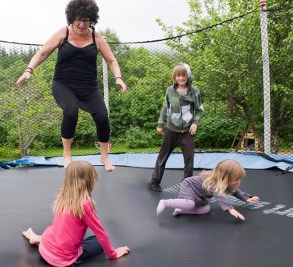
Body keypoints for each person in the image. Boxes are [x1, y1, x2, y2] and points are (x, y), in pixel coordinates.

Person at [16, 0, 127, 172]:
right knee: (71, 111)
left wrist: (118, 78)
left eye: (86, 20)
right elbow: (43, 52)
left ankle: (104, 156)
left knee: (102, 116)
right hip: (63, 84)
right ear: (71, 19)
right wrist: (28, 70)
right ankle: (67, 154)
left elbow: (111, 60)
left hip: (89, 88)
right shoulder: (63, 33)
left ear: (92, 20)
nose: (82, 24)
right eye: (78, 20)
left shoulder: (96, 37)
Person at [22, 161, 130, 266]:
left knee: (58, 232)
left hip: (44, 249)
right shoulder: (85, 204)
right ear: (88, 181)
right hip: (61, 260)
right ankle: (39, 241)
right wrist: (113, 254)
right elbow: (101, 233)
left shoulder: (63, 197)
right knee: (98, 242)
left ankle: (38, 239)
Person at [149, 63, 204, 192]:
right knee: (163, 156)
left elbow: (199, 110)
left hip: (187, 131)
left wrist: (195, 123)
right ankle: (154, 181)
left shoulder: (194, 91)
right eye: (178, 75)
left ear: (187, 76)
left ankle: (187, 186)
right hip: (171, 129)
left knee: (189, 160)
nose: (180, 78)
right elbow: (165, 107)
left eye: (183, 75)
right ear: (174, 77)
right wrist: (160, 124)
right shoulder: (170, 90)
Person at [156, 159, 260, 221]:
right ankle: (166, 203)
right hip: (189, 186)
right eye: (236, 179)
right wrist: (230, 209)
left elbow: (235, 191)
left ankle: (181, 209)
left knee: (206, 209)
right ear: (225, 177)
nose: (237, 181)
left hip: (199, 195)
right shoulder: (214, 183)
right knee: (190, 204)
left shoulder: (227, 182)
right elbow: (220, 196)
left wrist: (247, 198)